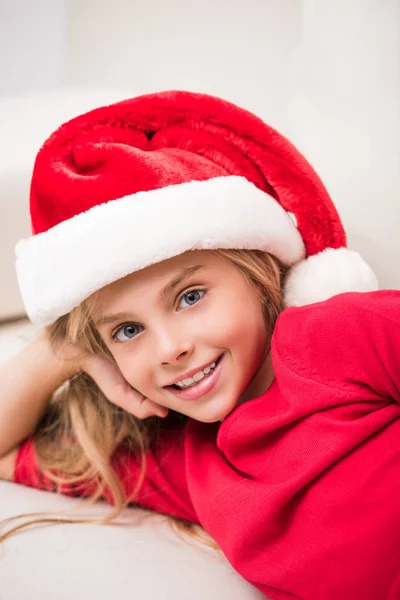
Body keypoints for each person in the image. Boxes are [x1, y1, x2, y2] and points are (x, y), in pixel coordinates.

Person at [0, 90, 399, 599]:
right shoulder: (180, 461)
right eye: (127, 330)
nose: (169, 348)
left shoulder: (337, 336)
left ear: (257, 277)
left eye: (190, 296)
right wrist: (63, 350)